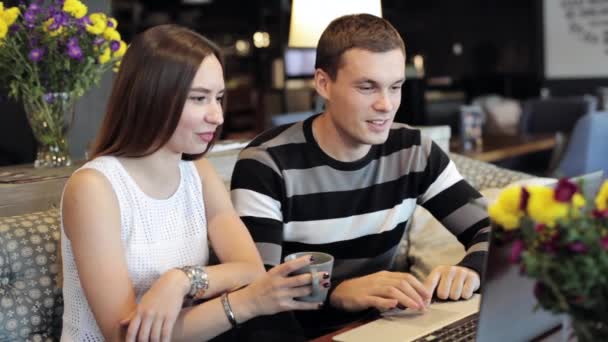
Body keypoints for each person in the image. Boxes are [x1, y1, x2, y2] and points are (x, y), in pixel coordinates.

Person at [60, 24, 326, 342]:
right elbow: (126, 337)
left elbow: (250, 269)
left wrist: (182, 280)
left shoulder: (197, 171)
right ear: (151, 98)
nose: (217, 116)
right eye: (199, 98)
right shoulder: (94, 188)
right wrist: (247, 302)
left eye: (219, 98)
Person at [230, 14, 489, 337]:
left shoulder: (413, 151)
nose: (386, 104)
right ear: (324, 83)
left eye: (395, 87)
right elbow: (257, 294)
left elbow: (496, 229)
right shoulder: (266, 164)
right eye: (367, 87)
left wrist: (472, 271)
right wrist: (337, 292)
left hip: (383, 328)